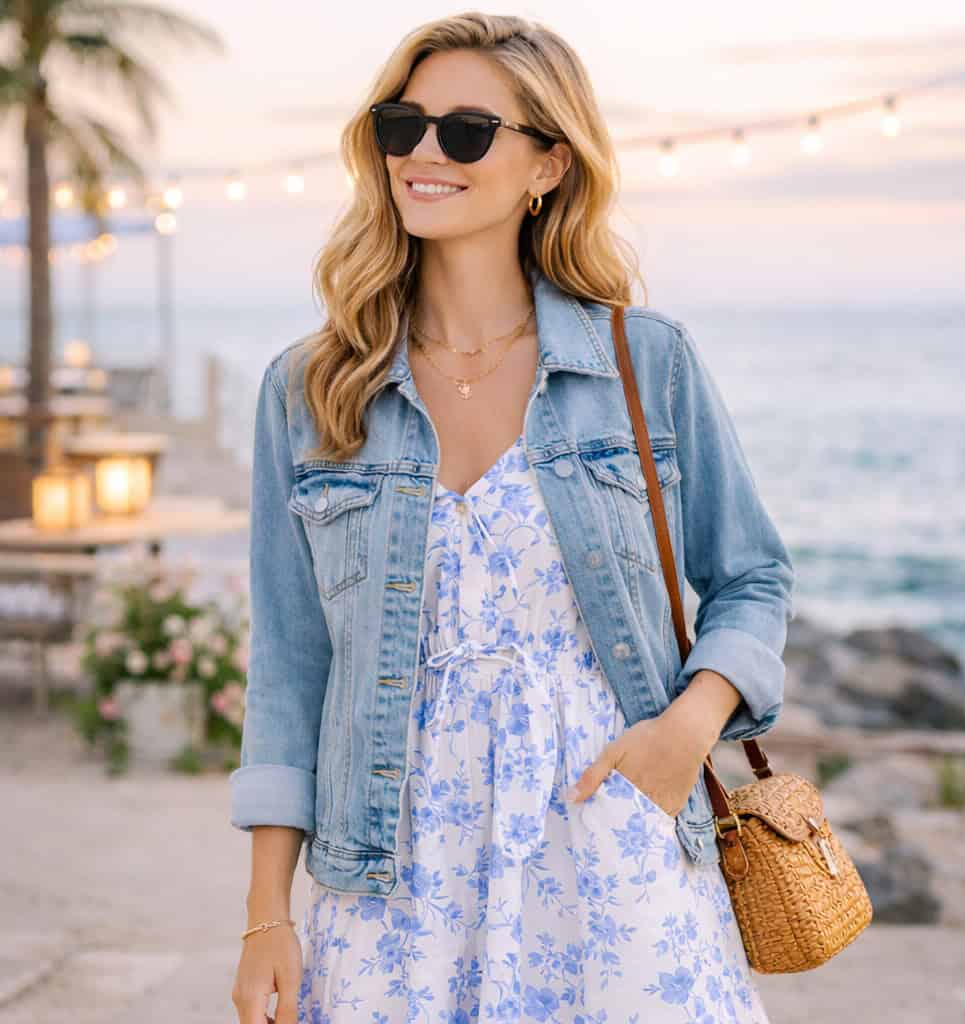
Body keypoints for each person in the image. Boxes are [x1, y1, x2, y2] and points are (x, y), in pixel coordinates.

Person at [230, 11, 795, 1023]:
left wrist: (687, 727)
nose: (422, 155)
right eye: (402, 127)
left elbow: (750, 575)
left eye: (466, 131)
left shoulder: (643, 362)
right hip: (390, 876)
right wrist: (266, 912)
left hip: (614, 847)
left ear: (548, 165)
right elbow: (288, 662)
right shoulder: (314, 390)